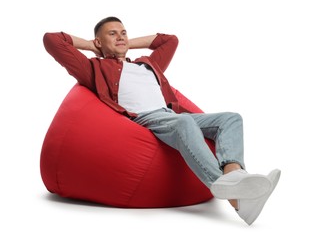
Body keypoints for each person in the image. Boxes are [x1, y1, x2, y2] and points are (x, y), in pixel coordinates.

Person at [43, 16, 281, 225]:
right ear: (98, 41)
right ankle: (220, 182)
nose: (121, 37)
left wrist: (124, 44)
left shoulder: (148, 64)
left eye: (123, 32)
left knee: (231, 119)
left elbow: (170, 40)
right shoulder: (94, 68)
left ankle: (238, 188)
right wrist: (94, 47)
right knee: (185, 124)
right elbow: (52, 40)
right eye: (112, 34)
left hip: (171, 115)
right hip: (146, 120)